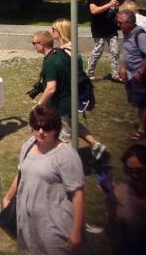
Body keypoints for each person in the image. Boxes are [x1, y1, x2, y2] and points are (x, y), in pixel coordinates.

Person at [2, 105, 86, 255]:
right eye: (36, 127)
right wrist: (9, 196)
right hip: (31, 222)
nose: (40, 131)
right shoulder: (28, 146)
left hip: (56, 223)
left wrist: (76, 230)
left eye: (46, 128)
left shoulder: (65, 155)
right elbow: (21, 174)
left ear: (55, 129)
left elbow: (77, 193)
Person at [33, 27, 105, 159]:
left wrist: (39, 104)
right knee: (73, 124)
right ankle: (95, 144)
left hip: (61, 105)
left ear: (41, 44)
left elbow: (51, 88)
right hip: (71, 98)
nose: (33, 46)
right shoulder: (61, 53)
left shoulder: (50, 61)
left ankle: (69, 164)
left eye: (34, 43)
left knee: (64, 137)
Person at [117, 8, 146, 140]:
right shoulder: (127, 33)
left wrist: (141, 72)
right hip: (130, 74)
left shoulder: (141, 35)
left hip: (139, 75)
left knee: (140, 103)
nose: (119, 25)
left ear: (130, 23)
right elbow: (127, 52)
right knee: (136, 100)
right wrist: (123, 66)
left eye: (121, 23)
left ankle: (142, 129)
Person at [86, 0, 121, 83]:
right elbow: (94, 10)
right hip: (99, 27)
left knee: (115, 51)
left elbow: (114, 8)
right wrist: (109, 5)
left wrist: (115, 7)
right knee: (98, 51)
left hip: (111, 27)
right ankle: (89, 73)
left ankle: (115, 75)